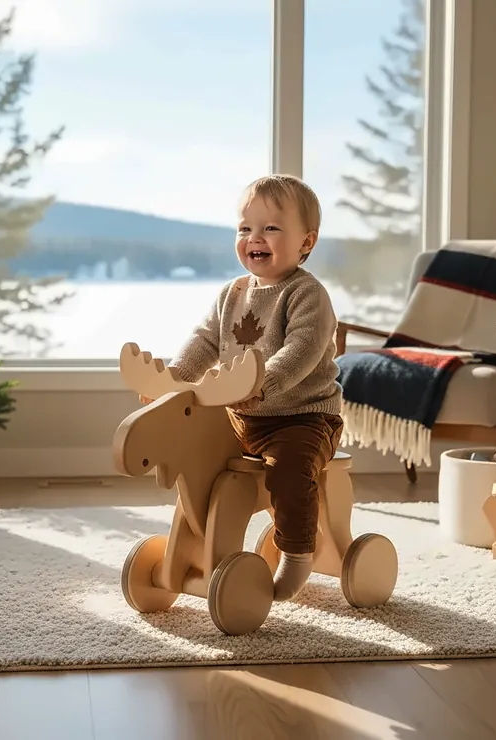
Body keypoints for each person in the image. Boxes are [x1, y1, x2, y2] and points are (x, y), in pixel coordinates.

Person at [144, 174, 343, 601]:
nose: (255, 237)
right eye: (245, 228)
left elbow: (302, 350)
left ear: (306, 242)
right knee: (199, 459)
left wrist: (262, 382)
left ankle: (296, 552)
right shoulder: (232, 293)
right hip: (241, 415)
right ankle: (192, 547)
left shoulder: (307, 294)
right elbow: (205, 341)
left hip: (302, 417)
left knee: (290, 469)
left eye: (271, 228)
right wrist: (178, 380)